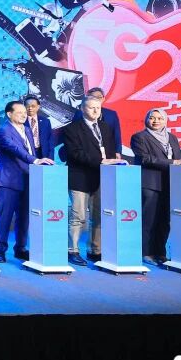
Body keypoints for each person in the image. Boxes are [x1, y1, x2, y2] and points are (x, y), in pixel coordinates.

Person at [60, 95, 121, 266]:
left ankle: (95, 250)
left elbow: (110, 152)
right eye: (91, 107)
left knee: (98, 216)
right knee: (78, 217)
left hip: (101, 178)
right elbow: (75, 154)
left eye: (98, 108)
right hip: (80, 177)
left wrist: (111, 162)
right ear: (82, 109)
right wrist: (101, 161)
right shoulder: (71, 129)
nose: (95, 111)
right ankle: (72, 250)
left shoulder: (105, 127)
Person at [0, 101, 54, 263]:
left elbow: (30, 150)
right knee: (5, 216)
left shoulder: (27, 129)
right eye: (19, 112)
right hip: (8, 179)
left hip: (27, 178)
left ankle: (20, 248)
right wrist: (35, 160)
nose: (23, 114)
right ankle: (0, 250)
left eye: (24, 112)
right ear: (9, 114)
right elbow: (16, 150)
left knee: (24, 216)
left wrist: (37, 164)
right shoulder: (3, 131)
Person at [131, 108, 181, 266]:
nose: (156, 121)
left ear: (165, 120)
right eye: (152, 118)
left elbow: (179, 158)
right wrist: (173, 162)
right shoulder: (139, 137)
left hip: (170, 183)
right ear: (146, 119)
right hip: (150, 184)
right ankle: (146, 252)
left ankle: (160, 253)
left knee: (165, 221)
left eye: (160, 118)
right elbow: (145, 159)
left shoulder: (172, 138)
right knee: (149, 220)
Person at [73, 87, 122, 155]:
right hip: (87, 153)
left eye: (99, 97)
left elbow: (116, 135)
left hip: (108, 152)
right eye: (93, 97)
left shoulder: (112, 114)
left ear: (103, 99)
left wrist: (118, 151)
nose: (97, 99)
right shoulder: (80, 113)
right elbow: (74, 134)